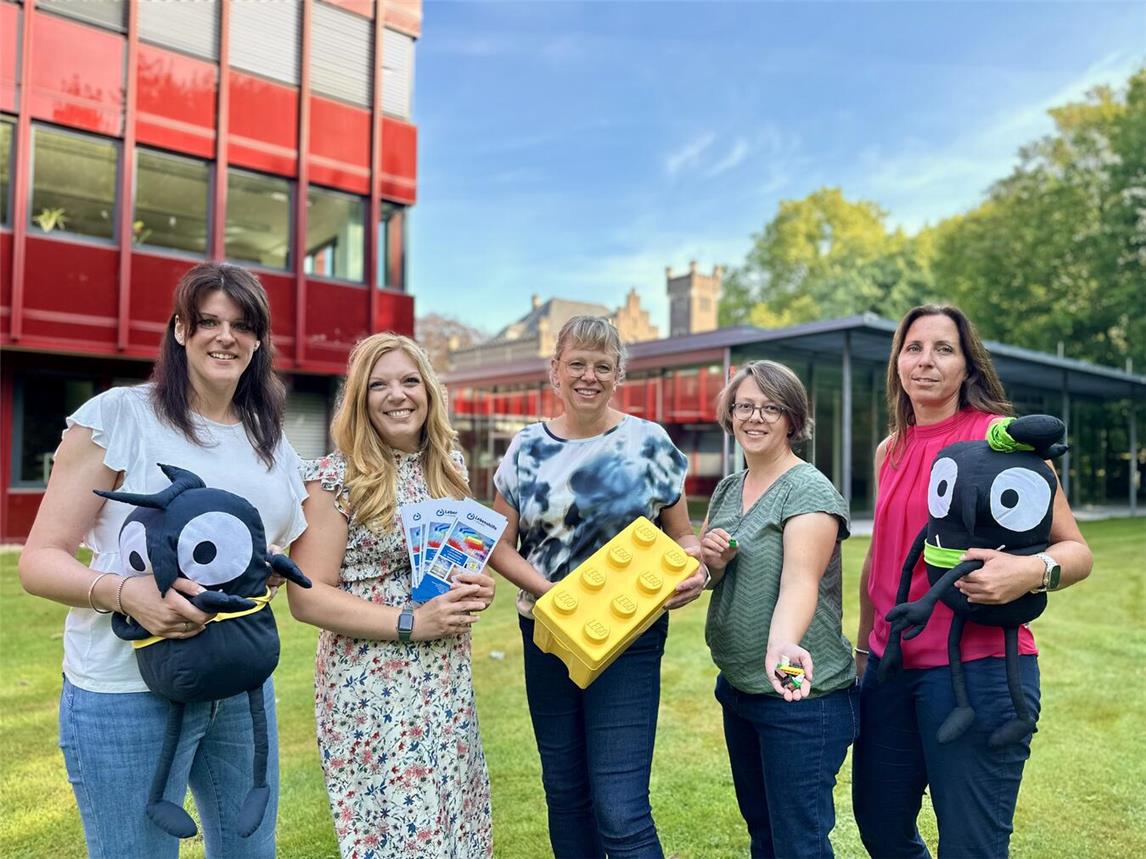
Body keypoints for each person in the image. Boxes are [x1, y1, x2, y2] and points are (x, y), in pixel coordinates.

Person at [18, 263, 307, 858]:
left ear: (258, 339)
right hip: (126, 692)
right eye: (207, 322)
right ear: (179, 330)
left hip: (238, 683)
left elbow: (269, 548)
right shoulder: (120, 415)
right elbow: (40, 561)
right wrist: (129, 595)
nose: (225, 336)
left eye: (242, 324)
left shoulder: (270, 440)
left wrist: (266, 569)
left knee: (251, 852)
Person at [851, 304, 1093, 857]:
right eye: (913, 348)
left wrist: (1031, 571)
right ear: (897, 364)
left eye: (944, 349)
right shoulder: (891, 449)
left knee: (971, 845)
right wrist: (866, 652)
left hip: (977, 673)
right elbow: (882, 560)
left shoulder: (1003, 442)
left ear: (968, 367)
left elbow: (1077, 551)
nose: (926, 362)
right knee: (880, 827)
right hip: (891, 671)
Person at [488, 315, 708, 859]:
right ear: (555, 372)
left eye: (602, 366)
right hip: (545, 635)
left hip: (629, 639)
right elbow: (497, 543)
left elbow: (683, 537)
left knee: (620, 809)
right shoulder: (525, 449)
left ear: (618, 375)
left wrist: (693, 570)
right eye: (577, 364)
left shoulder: (649, 443)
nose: (589, 376)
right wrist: (549, 593)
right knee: (565, 794)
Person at [286, 333, 495, 859]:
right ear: (360, 400)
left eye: (408, 380)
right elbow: (306, 597)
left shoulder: (448, 466)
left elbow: (453, 561)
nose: (396, 395)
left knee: (452, 819)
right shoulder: (334, 478)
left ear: (428, 391)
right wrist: (411, 621)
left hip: (445, 677)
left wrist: (474, 588)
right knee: (400, 833)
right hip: (371, 683)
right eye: (378, 385)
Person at [700, 360, 858, 859]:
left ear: (792, 419)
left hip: (800, 698)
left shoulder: (807, 489)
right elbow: (717, 577)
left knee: (799, 844)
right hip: (741, 689)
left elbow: (799, 582)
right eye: (745, 405)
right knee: (764, 834)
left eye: (771, 407)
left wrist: (782, 644)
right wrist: (715, 562)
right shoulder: (728, 488)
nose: (755, 417)